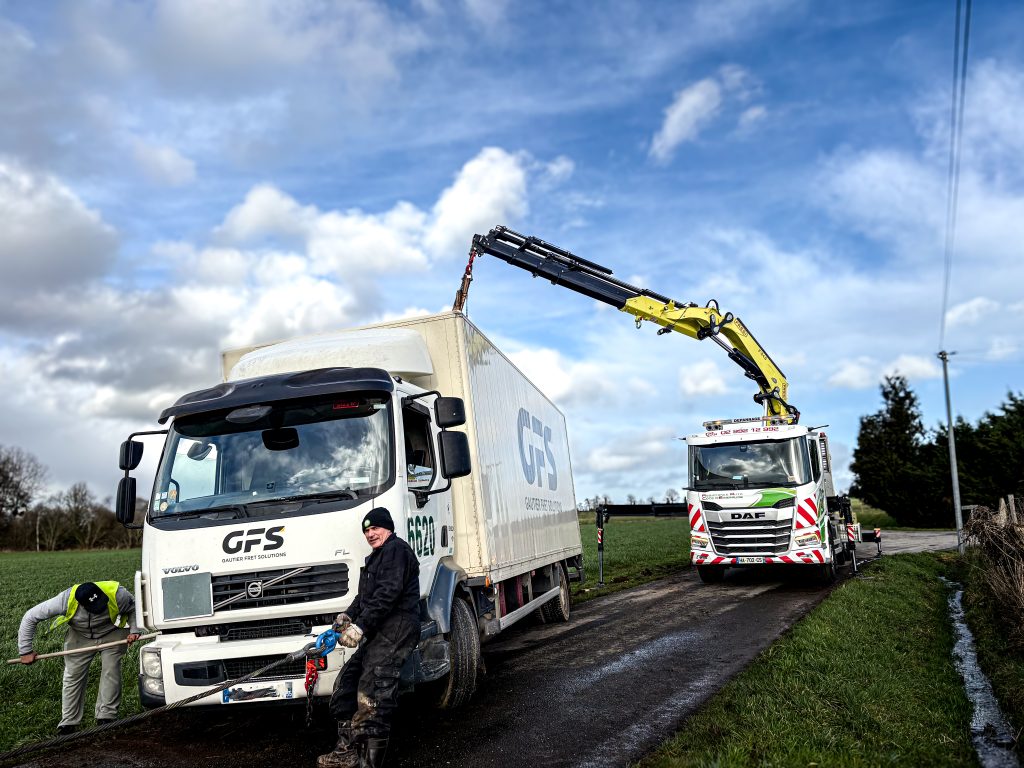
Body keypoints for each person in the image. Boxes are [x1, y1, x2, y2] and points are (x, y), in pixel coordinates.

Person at [318, 507, 420, 768]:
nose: (370, 534)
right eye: (366, 530)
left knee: (373, 689)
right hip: (379, 629)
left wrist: (360, 627)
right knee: (346, 685)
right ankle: (347, 753)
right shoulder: (377, 556)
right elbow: (365, 597)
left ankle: (369, 763)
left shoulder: (397, 551)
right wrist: (347, 617)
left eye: (375, 528)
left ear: (388, 528)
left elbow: (388, 594)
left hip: (397, 627)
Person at [18, 581, 141, 735]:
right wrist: (25, 651)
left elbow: (134, 608)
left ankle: (106, 717)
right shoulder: (64, 600)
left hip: (112, 632)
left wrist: (134, 630)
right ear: (81, 604)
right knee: (73, 675)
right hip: (80, 635)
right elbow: (30, 617)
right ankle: (68, 723)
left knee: (111, 670)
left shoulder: (118, 594)